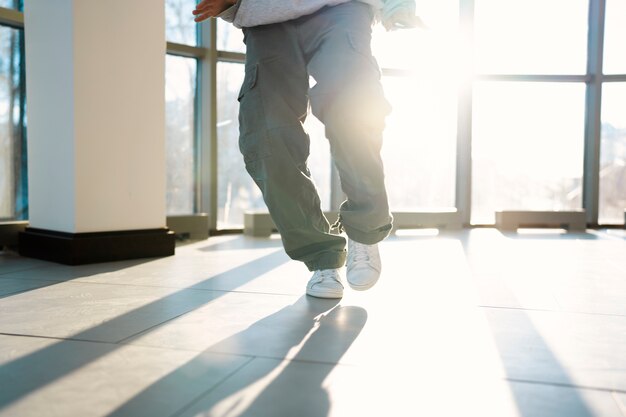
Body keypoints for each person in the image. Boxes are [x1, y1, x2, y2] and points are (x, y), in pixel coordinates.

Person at [193, 0, 420, 299]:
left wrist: (397, 6)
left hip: (341, 8)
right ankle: (321, 257)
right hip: (264, 17)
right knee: (266, 137)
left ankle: (365, 230)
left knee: (354, 111)